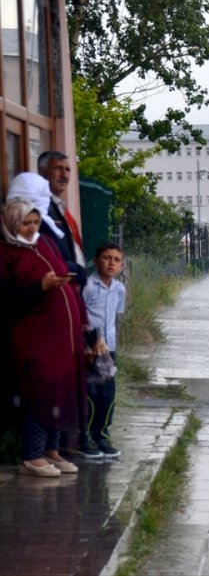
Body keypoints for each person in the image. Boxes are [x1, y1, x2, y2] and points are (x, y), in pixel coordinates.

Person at [0, 198, 87, 477]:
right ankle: (32, 455)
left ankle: (51, 450)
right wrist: (41, 286)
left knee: (59, 390)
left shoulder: (44, 243)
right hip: (33, 336)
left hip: (61, 338)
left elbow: (67, 281)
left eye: (36, 222)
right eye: (26, 222)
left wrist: (83, 321)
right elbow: (7, 297)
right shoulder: (6, 251)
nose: (31, 228)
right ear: (13, 222)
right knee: (40, 390)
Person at [80, 242, 126, 459]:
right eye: (107, 258)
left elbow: (116, 317)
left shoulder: (119, 289)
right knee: (91, 393)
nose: (111, 263)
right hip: (90, 348)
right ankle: (85, 437)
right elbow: (81, 317)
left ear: (121, 265)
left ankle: (102, 435)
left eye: (116, 260)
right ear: (96, 261)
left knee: (107, 394)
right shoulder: (88, 286)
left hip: (109, 349)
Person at [37, 151, 87, 287]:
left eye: (67, 170)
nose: (64, 175)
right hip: (58, 284)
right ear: (41, 172)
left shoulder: (59, 207)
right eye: (58, 168)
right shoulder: (40, 210)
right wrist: (73, 268)